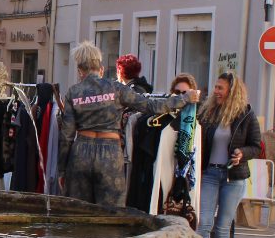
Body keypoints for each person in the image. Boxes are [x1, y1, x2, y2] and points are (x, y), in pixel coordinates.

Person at [60, 42, 196, 208]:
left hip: (81, 152)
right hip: (110, 152)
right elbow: (151, 106)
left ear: (80, 71)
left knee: (78, 209)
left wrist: (62, 169)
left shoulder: (73, 92)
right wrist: (183, 99)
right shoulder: (116, 88)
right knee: (111, 211)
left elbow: (66, 135)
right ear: (101, 69)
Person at [197, 71, 262, 238]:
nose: (215, 91)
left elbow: (256, 146)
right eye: (215, 87)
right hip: (210, 173)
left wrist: (242, 153)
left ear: (232, 91)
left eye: (220, 88)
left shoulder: (246, 115)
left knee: (223, 226)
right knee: (204, 222)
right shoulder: (208, 112)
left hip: (233, 177)